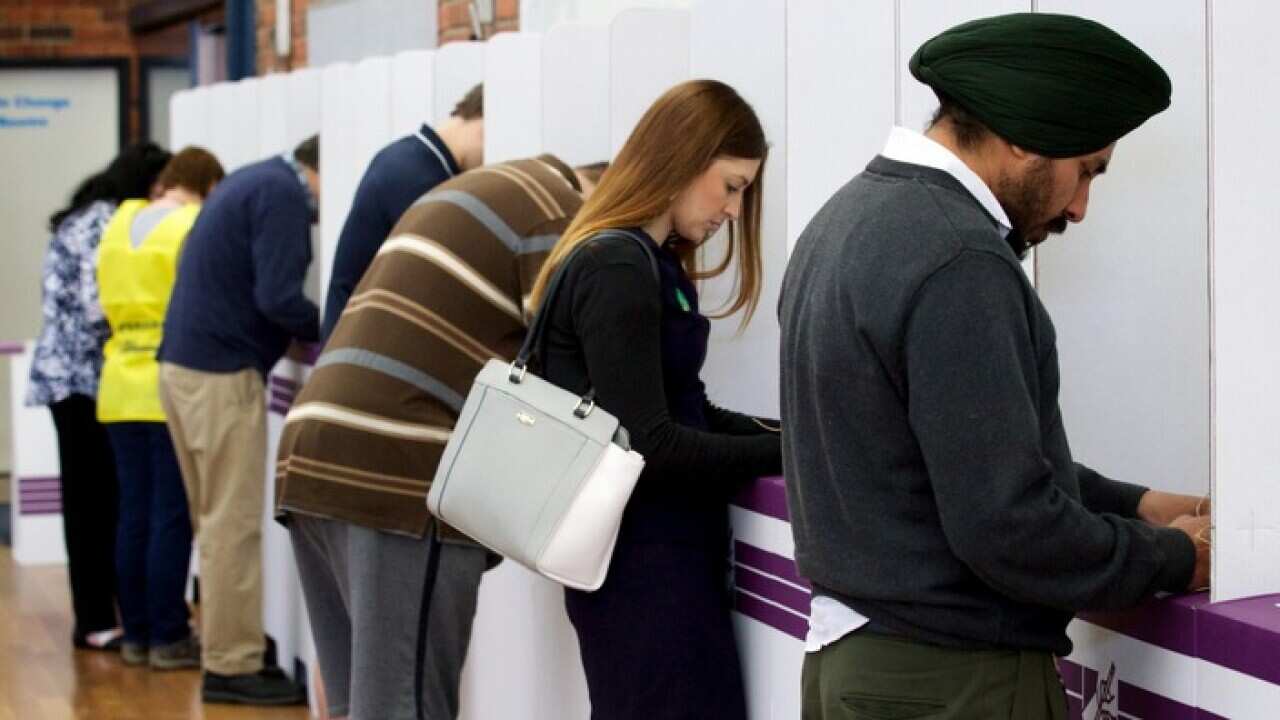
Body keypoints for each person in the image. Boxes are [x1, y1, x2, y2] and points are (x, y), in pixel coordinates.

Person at [778, 14, 1212, 719]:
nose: (1080, 206)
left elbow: (936, 462)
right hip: (954, 682)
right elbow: (1007, 529)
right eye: (1086, 170)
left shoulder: (846, 221)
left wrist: (1131, 503)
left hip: (857, 669)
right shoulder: (960, 259)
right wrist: (1174, 557)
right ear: (1021, 136)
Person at [276, 154, 599, 720]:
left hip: (312, 457)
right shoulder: (558, 212)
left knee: (360, 705)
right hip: (398, 474)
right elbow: (572, 365)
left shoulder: (474, 190)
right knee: (406, 706)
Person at [529, 79, 782, 720]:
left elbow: (682, 407)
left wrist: (784, 435)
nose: (732, 210)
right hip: (644, 574)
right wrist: (787, 450)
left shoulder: (648, 263)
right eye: (730, 186)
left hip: (659, 563)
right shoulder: (618, 267)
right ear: (682, 158)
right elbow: (652, 443)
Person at [157, 136, 321, 706]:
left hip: (185, 367)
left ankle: (226, 652)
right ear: (317, 171)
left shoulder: (252, 180)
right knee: (232, 525)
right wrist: (334, 326)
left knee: (215, 522)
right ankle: (231, 664)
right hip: (219, 375)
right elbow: (279, 296)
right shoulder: (283, 196)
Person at [27, 142, 172, 653]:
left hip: (74, 378)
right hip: (81, 380)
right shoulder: (104, 223)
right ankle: (93, 619)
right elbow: (99, 303)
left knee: (96, 500)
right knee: (91, 503)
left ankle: (99, 613)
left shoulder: (89, 216)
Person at [96, 147, 225, 670]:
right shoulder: (192, 224)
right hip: (168, 378)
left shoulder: (120, 221)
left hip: (118, 381)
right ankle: (169, 634)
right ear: (207, 185)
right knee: (171, 514)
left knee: (132, 514)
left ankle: (137, 632)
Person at [321, 83, 485, 339]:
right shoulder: (418, 178)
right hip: (360, 344)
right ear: (482, 124)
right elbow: (437, 282)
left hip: (350, 339)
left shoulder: (407, 157)